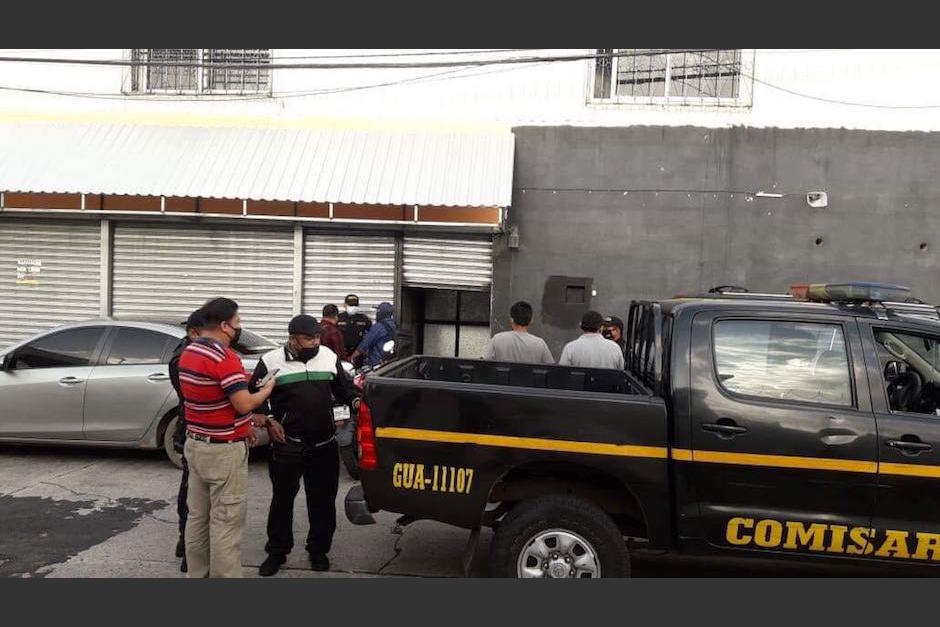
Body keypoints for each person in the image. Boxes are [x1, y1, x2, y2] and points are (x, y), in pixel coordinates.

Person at [251, 314, 360, 577]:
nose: (315, 342)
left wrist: (354, 404)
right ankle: (277, 552)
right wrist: (269, 421)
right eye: (308, 338)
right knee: (282, 501)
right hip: (287, 445)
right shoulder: (270, 361)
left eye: (317, 337)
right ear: (292, 339)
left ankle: (318, 551)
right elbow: (256, 398)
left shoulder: (328, 357)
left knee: (322, 501)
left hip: (324, 444)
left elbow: (344, 391)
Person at [179, 297, 276, 578]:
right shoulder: (225, 357)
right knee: (226, 522)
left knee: (198, 517)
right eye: (237, 324)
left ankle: (197, 575)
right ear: (224, 325)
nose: (239, 329)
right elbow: (243, 403)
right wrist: (266, 390)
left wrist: (244, 422)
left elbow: (214, 402)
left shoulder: (190, 351)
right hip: (223, 452)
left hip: (196, 445)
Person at [168, 308, 206, 574]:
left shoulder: (192, 352)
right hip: (193, 430)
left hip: (196, 428)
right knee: (193, 490)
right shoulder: (183, 359)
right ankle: (188, 542)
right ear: (193, 333)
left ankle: (188, 543)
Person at [481, 301, 554, 364]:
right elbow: (551, 369)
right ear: (531, 320)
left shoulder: (497, 339)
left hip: (503, 380)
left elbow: (483, 363)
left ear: (511, 320)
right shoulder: (540, 343)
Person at [558, 310, 625, 370]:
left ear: (580, 325)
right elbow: (622, 372)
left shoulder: (570, 348)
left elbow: (563, 374)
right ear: (601, 327)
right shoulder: (615, 348)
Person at [351, 302, 397, 369]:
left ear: (380, 313)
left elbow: (365, 345)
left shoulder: (378, 327)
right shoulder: (395, 325)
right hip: (392, 363)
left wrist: (352, 357)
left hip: (378, 365)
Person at [337, 294, 372, 363]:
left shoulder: (364, 319)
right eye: (350, 305)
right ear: (344, 305)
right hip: (342, 352)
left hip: (358, 354)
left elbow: (370, 336)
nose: (353, 307)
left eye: (355, 305)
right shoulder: (339, 318)